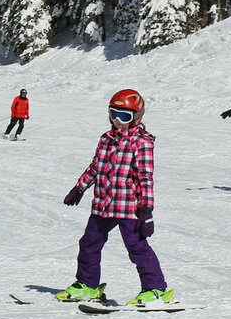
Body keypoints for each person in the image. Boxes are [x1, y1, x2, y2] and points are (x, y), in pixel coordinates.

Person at [57, 89, 172, 306]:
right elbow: (95, 167)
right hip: (102, 206)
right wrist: (79, 188)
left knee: (137, 248)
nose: (118, 120)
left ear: (137, 118)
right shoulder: (106, 139)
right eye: (114, 114)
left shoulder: (142, 143)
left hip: (129, 208)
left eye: (124, 116)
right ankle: (88, 285)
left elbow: (145, 178)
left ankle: (156, 289)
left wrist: (146, 211)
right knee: (89, 243)